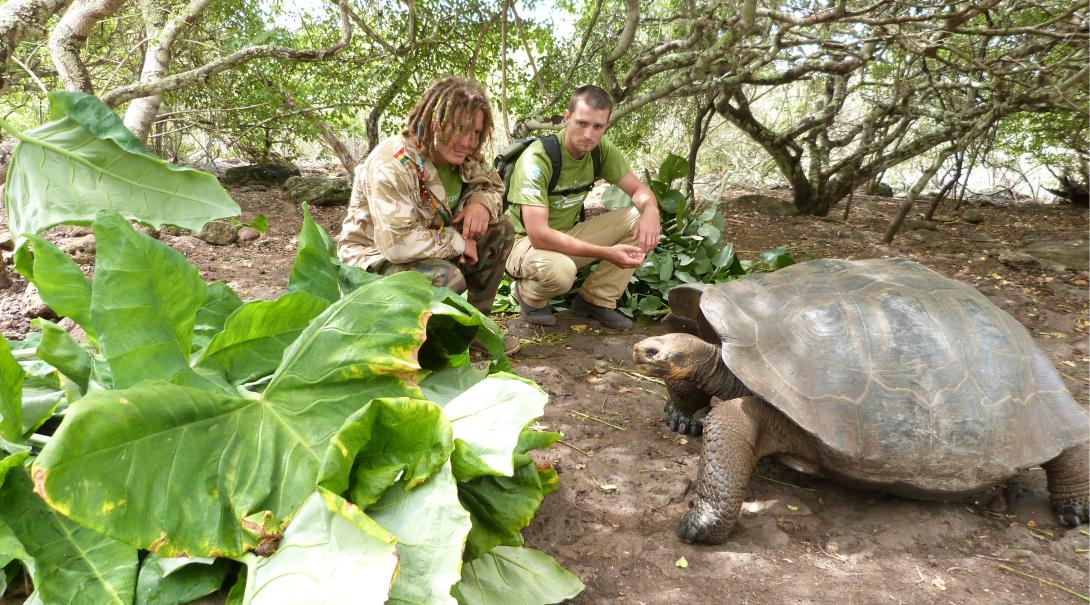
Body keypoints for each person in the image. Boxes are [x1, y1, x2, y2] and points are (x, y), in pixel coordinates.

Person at [337, 76, 517, 352]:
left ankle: (475, 325)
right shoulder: (393, 163)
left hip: (432, 245)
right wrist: (458, 243)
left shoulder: (466, 156)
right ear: (434, 121)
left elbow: (494, 186)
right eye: (459, 129)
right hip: (373, 258)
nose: (468, 141)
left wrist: (480, 203)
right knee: (446, 277)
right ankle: (405, 341)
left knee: (500, 230)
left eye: (477, 133)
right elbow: (397, 244)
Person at [503, 85, 659, 330]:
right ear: (566, 118)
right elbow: (539, 234)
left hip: (566, 233)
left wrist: (651, 211)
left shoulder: (601, 151)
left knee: (639, 217)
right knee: (562, 272)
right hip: (523, 242)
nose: (589, 134)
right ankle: (528, 294)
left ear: (606, 125)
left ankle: (596, 300)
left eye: (598, 127)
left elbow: (640, 191)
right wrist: (606, 252)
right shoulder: (538, 158)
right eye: (582, 123)